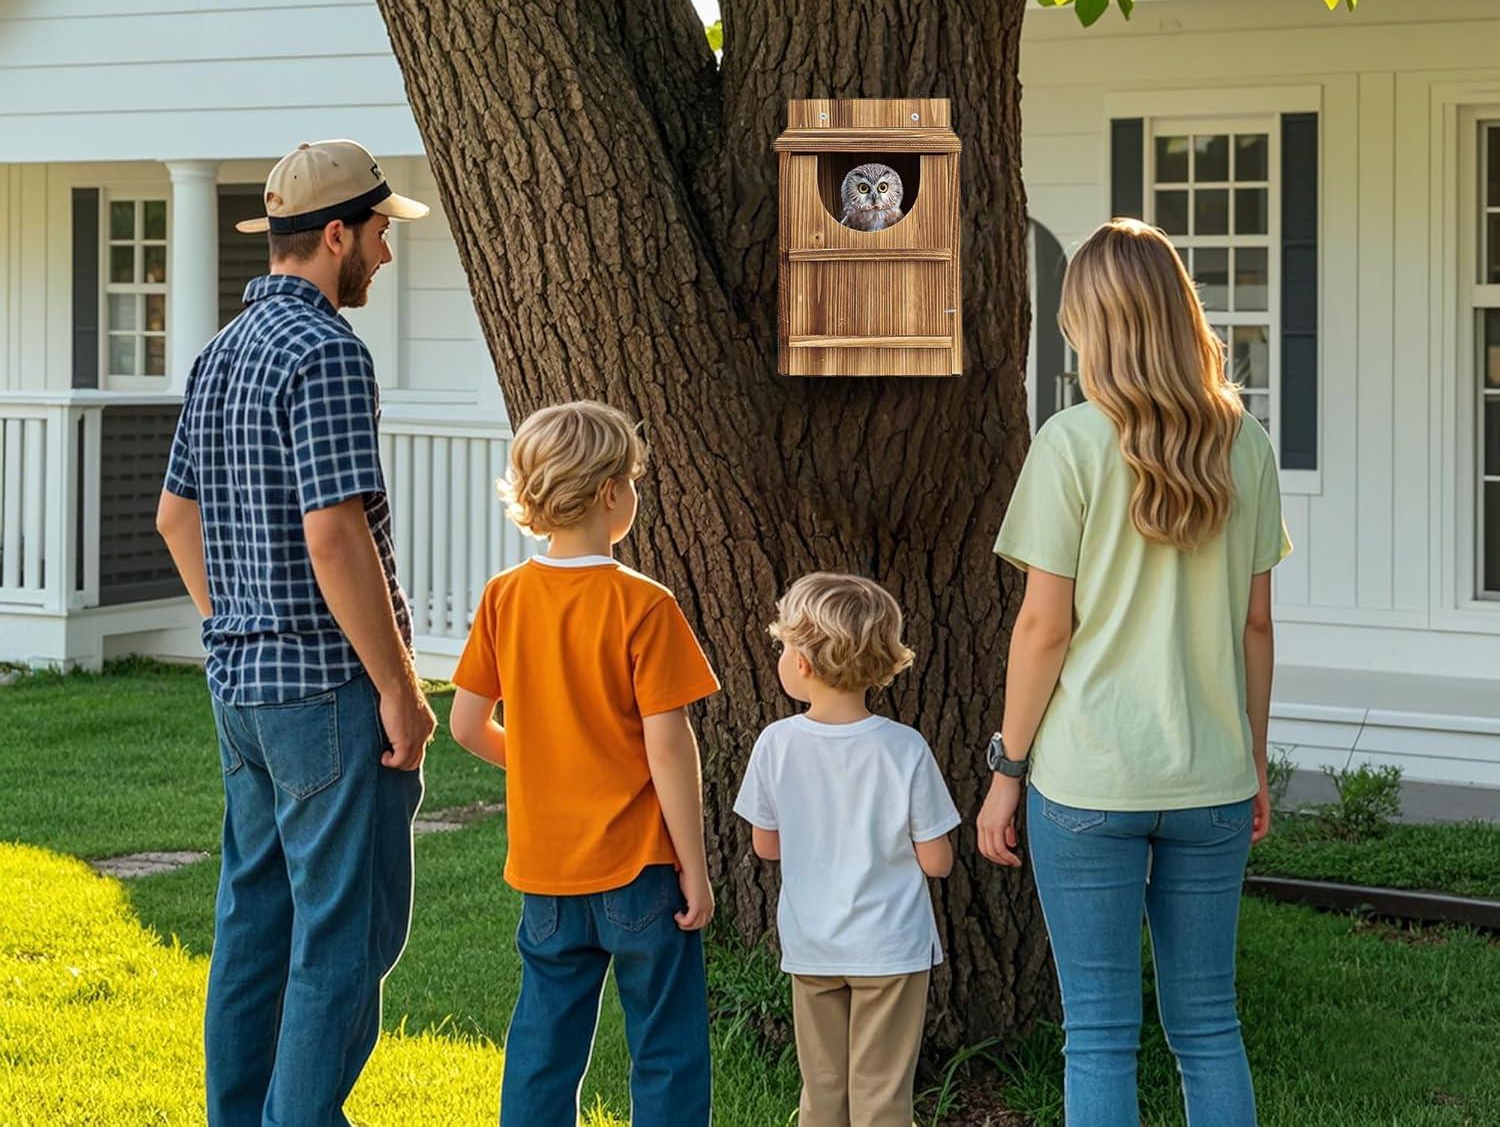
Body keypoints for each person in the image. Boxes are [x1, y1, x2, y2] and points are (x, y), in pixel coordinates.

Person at [978, 217, 1291, 1127]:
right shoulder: (1247, 442)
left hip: (1086, 781)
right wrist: (1254, 761)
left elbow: (1043, 627)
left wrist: (1006, 771)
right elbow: (1257, 623)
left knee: (1102, 1035)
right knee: (1207, 1026)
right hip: (1212, 780)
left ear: (1091, 323)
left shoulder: (1071, 443)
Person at [155, 139, 438, 1127]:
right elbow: (334, 532)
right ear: (333, 236)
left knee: (256, 927)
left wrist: (229, 621)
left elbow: (174, 519)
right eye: (377, 237)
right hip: (325, 691)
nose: (385, 258)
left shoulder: (220, 353)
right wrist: (399, 689)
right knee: (345, 939)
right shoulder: (324, 351)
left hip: (241, 688)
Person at [448, 399, 720, 1127]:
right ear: (610, 494)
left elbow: (467, 725)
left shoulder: (503, 599)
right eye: (631, 481)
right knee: (665, 1044)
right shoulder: (645, 605)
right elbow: (669, 744)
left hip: (547, 870)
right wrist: (693, 864)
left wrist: (541, 766)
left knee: (544, 1044)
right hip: (641, 867)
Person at [735, 572, 961, 1127]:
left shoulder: (776, 744)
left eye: (784, 646)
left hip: (813, 945)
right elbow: (938, 861)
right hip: (890, 947)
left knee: (822, 1092)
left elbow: (766, 846)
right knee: (882, 1098)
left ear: (805, 665)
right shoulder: (904, 748)